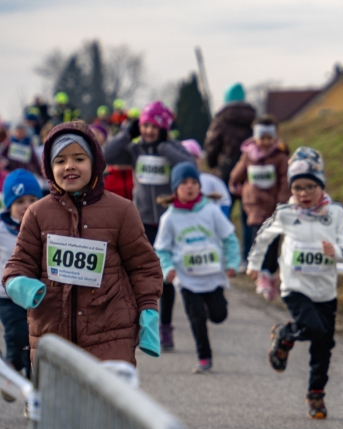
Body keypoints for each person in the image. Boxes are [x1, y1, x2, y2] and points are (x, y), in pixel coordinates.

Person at [1, 122, 163, 366]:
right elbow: (19, 264)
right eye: (60, 161)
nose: (69, 166)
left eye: (79, 158)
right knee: (59, 404)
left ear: (95, 162)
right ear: (48, 167)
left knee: (104, 404)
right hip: (52, 335)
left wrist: (148, 310)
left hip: (111, 334)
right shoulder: (37, 213)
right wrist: (21, 285)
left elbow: (143, 266)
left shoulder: (122, 211)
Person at [247, 147, 343, 419]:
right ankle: (286, 334)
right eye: (297, 188)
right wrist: (254, 264)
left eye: (310, 187)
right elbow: (263, 238)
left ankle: (316, 395)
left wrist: (336, 252)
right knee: (312, 327)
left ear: (321, 186)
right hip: (295, 286)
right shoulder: (285, 213)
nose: (304, 193)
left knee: (324, 344)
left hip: (325, 289)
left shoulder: (337, 213)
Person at [104, 101, 195, 350]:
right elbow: (105, 155)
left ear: (163, 127)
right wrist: (126, 134)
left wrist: (164, 147)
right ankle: (141, 325)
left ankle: (165, 328)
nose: (148, 131)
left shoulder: (171, 147)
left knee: (165, 277)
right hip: (142, 221)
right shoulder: (135, 150)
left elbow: (189, 165)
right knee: (141, 275)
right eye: (144, 125)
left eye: (153, 126)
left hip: (169, 221)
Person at [154, 163, 240, 373]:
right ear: (175, 188)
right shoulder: (169, 218)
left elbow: (229, 239)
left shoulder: (211, 210)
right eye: (184, 183)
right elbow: (162, 250)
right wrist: (168, 269)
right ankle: (204, 357)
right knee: (197, 318)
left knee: (218, 316)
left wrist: (232, 263)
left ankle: (215, 308)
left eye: (194, 182)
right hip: (187, 279)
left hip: (213, 276)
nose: (190, 187)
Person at [228, 114, 290, 298]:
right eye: (261, 137)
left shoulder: (280, 157)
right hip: (253, 204)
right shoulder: (248, 155)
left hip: (273, 206)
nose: (264, 142)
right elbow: (237, 174)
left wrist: (282, 201)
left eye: (269, 138)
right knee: (259, 238)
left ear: (275, 138)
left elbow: (285, 180)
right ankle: (262, 274)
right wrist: (236, 185)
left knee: (273, 242)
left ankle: (270, 274)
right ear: (255, 137)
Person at [204, 83, 256, 248]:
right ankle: (248, 255)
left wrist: (213, 165)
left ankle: (222, 251)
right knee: (248, 215)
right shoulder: (252, 118)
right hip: (249, 170)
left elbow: (212, 145)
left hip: (226, 170)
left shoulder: (221, 119)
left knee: (222, 212)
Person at [0, 170, 41, 376]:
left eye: (32, 199)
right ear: (9, 206)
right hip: (7, 296)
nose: (26, 205)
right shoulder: (2, 228)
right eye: (20, 201)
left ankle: (31, 387)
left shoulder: (44, 228)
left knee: (33, 343)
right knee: (17, 335)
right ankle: (13, 367)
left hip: (36, 295)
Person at [181, 139, 233, 219]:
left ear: (200, 160)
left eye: (194, 158)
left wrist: (221, 219)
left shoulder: (212, 181)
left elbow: (225, 201)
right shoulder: (174, 182)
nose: (190, 161)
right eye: (186, 157)